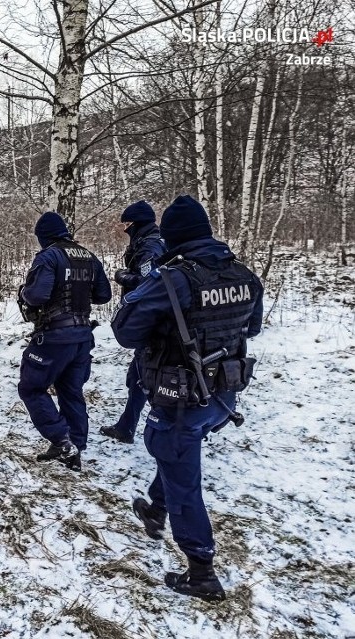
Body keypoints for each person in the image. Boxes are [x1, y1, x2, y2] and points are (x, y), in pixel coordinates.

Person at [111, 195, 263, 601]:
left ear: (175, 237)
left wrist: (147, 300)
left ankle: (201, 570)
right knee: (179, 452)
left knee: (182, 473)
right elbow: (253, 328)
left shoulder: (173, 279)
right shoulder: (244, 274)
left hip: (181, 393)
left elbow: (125, 331)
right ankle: (155, 509)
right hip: (222, 392)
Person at [17, 212, 112, 471]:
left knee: (31, 388)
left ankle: (62, 440)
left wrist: (23, 291)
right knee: (71, 390)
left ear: (43, 237)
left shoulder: (48, 257)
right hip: (82, 336)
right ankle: (76, 444)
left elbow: (37, 296)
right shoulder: (88, 256)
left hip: (54, 337)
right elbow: (104, 295)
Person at [100, 201, 165, 444]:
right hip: (152, 318)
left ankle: (164, 427)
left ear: (137, 224)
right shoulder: (150, 241)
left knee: (147, 376)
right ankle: (127, 426)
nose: (125, 229)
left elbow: (153, 283)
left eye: (128, 224)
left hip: (153, 319)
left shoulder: (150, 246)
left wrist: (124, 277)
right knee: (138, 375)